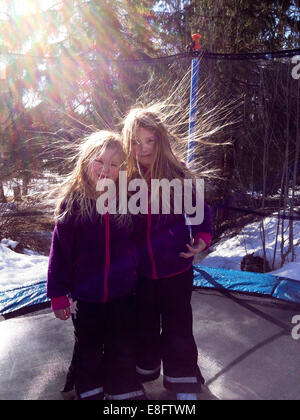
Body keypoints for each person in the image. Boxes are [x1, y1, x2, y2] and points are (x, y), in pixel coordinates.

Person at [122, 104, 213, 400]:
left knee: (177, 326)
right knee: (144, 325)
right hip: (141, 272)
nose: (143, 148)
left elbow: (201, 213)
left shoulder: (178, 174)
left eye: (150, 141)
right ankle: (145, 371)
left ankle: (182, 380)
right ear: (128, 143)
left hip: (176, 267)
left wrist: (200, 240)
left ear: (160, 141)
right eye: (136, 142)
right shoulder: (124, 178)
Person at [47, 130, 145, 400]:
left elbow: (139, 238)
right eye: (100, 161)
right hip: (86, 296)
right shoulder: (74, 204)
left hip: (123, 292)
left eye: (114, 165)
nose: (106, 169)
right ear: (86, 161)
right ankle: (89, 387)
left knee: (122, 343)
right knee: (89, 345)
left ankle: (122, 388)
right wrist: (58, 294)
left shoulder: (126, 201)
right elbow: (60, 253)